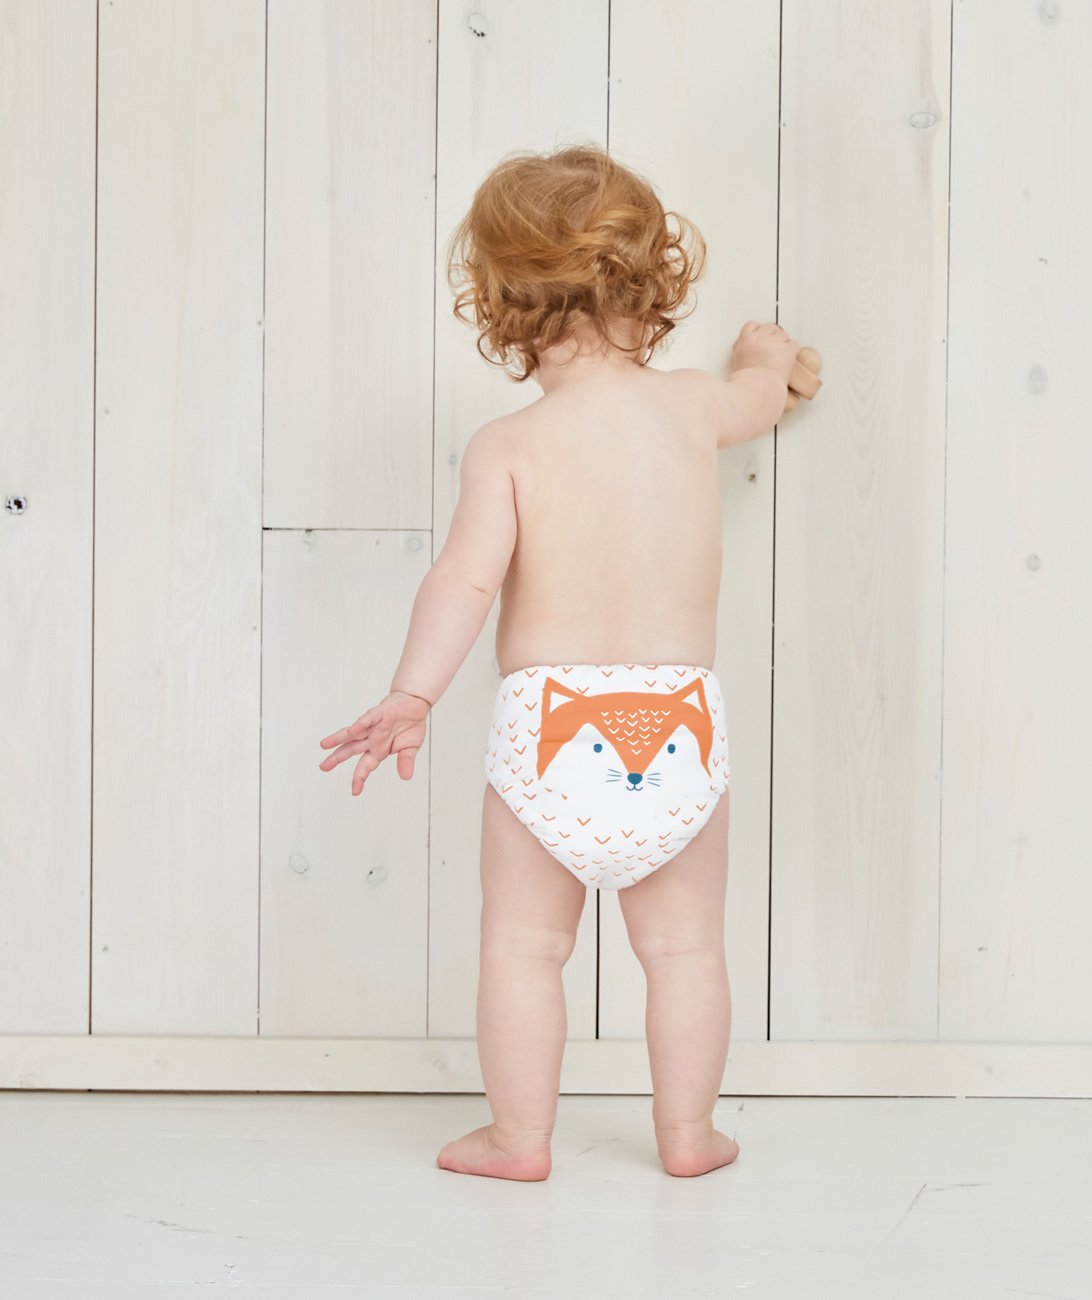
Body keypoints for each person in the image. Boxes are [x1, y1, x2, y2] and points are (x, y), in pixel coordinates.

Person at [317, 143, 821, 1182]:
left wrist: (414, 692)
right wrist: (766, 359)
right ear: (651, 284)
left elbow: (463, 583)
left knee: (523, 948)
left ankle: (519, 1138)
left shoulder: (509, 446)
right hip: (676, 721)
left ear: (502, 308)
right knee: (684, 949)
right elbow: (759, 400)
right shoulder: (693, 405)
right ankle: (689, 1134)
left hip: (554, 727)